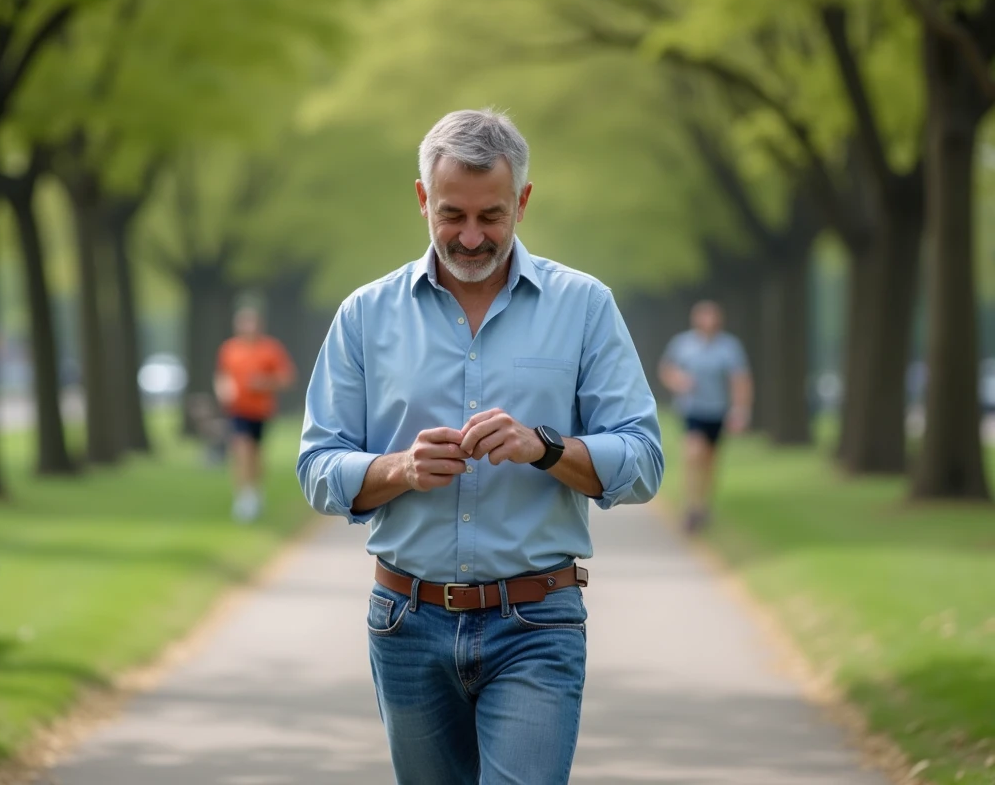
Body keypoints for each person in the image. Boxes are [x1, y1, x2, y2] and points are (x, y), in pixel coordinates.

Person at [297, 108, 664, 784]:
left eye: (490, 216)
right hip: (405, 623)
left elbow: (643, 460)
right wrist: (400, 468)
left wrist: (546, 449)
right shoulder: (364, 315)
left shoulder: (584, 307)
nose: (470, 237)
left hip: (537, 623)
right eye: (451, 215)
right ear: (421, 200)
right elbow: (317, 467)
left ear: (522, 201)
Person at [658, 300, 753, 533]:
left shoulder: (729, 347)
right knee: (693, 453)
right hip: (692, 410)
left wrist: (740, 410)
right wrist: (679, 380)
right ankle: (691, 506)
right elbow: (666, 369)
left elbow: (739, 380)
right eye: (703, 317)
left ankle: (703, 505)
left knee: (710, 461)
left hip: (717, 410)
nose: (708, 322)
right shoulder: (683, 344)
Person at [214, 305, 296, 522]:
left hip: (261, 410)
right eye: (244, 323)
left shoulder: (270, 349)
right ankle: (243, 496)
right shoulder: (229, 349)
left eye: (252, 323)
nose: (248, 327)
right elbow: (222, 375)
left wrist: (264, 383)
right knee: (241, 449)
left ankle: (256, 492)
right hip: (237, 409)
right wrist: (223, 390)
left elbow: (286, 378)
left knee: (256, 454)